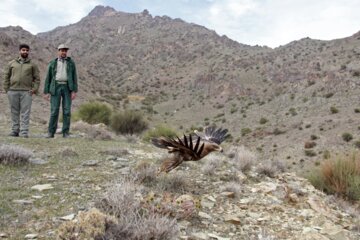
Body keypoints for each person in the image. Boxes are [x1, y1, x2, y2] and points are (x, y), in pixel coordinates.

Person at [3, 44, 40, 138]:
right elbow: (6, 76)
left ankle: (24, 132)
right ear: (20, 51)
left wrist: (34, 89)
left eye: (27, 50)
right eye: (23, 50)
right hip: (13, 91)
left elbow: (37, 78)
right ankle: (15, 131)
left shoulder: (32, 64)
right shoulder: (12, 63)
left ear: (28, 51)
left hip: (26, 92)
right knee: (14, 111)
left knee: (25, 112)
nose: (25, 52)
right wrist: (7, 89)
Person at [43, 44, 78, 138]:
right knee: (54, 110)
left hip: (67, 87)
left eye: (65, 51)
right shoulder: (53, 63)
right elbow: (48, 78)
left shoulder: (71, 63)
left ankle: (65, 132)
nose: (64, 52)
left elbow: (74, 77)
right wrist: (46, 92)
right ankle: (51, 132)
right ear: (58, 51)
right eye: (62, 50)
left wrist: (74, 91)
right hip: (55, 87)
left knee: (67, 111)